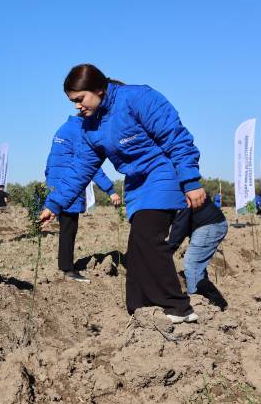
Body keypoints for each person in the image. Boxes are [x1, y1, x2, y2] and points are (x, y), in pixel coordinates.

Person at [39, 64, 205, 324]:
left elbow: (176, 137)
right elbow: (80, 168)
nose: (76, 107)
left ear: (98, 89)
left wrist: (191, 180)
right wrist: (54, 204)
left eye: (79, 99)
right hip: (137, 184)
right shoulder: (90, 127)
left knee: (148, 237)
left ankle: (179, 308)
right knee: (137, 248)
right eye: (72, 102)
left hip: (162, 172)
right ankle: (139, 309)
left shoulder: (138, 98)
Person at [45, 114, 121, 283]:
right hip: (69, 185)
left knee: (66, 227)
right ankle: (67, 269)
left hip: (57, 184)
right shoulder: (80, 131)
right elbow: (90, 165)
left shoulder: (63, 128)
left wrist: (49, 184)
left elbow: (50, 160)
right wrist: (110, 190)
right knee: (69, 229)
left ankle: (65, 265)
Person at [168, 198, 228, 310]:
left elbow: (180, 225)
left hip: (210, 225)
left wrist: (168, 251)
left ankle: (197, 304)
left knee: (192, 263)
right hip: (210, 223)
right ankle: (215, 301)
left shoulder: (179, 195)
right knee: (198, 267)